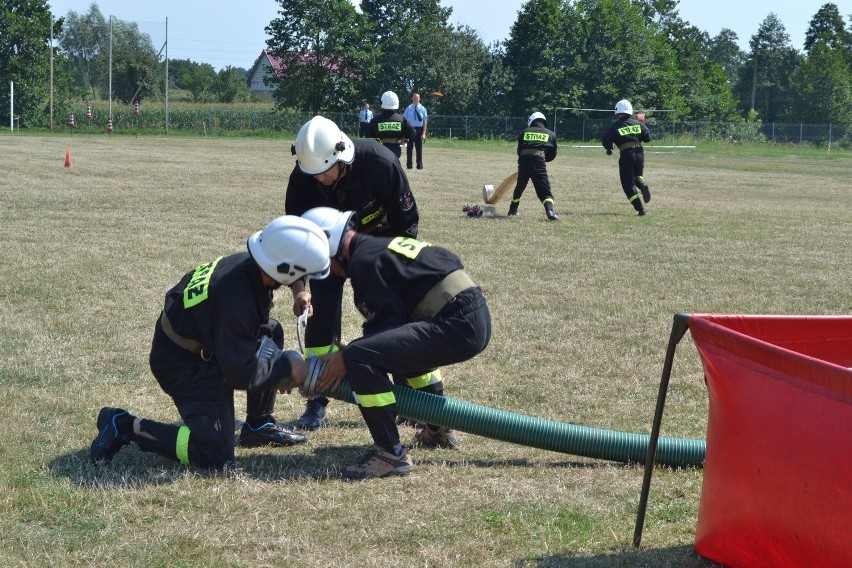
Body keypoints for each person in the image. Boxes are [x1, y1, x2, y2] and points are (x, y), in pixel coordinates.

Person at [89, 216, 331, 468]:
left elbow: (284, 266)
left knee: (271, 331)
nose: (304, 277)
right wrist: (287, 369)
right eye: (303, 273)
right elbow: (240, 371)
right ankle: (123, 425)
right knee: (215, 453)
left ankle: (259, 425)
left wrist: (299, 289)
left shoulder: (251, 264)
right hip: (184, 365)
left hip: (204, 342)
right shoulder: (236, 301)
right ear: (284, 268)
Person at [303, 207, 492, 480]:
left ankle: (389, 453)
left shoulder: (363, 263)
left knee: (359, 357)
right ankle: (438, 429)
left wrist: (348, 357)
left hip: (457, 323)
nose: (328, 272)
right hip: (469, 313)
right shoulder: (377, 247)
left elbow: (379, 335)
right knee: (390, 348)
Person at [285, 115, 421, 432]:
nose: (319, 179)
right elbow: (295, 239)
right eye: (313, 174)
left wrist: (395, 269)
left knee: (391, 316)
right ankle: (317, 400)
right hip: (327, 252)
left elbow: (408, 222)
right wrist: (299, 289)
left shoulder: (380, 163)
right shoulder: (303, 177)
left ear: (341, 156)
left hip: (378, 244)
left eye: (324, 172)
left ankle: (407, 397)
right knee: (320, 316)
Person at [601, 99, 652, 216]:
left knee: (627, 184)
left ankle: (641, 209)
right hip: (640, 154)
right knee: (637, 176)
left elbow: (606, 141)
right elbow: (647, 139)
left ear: (617, 112)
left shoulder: (614, 126)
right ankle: (642, 185)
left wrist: (609, 148)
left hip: (626, 154)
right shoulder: (638, 124)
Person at [507, 112, 559, 221]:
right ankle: (550, 211)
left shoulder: (524, 132)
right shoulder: (551, 134)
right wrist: (543, 158)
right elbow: (551, 155)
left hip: (523, 163)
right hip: (539, 163)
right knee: (544, 191)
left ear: (531, 121)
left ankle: (512, 211)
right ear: (544, 121)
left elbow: (519, 151)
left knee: (519, 188)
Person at [367, 90, 416, 159]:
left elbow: (368, 136)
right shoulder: (401, 119)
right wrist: (402, 144)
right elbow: (412, 133)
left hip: (379, 150)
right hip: (396, 150)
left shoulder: (375, 120)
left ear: (382, 102)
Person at [402, 92, 428, 170]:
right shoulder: (408, 108)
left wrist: (424, 133)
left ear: (419, 99)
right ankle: (409, 165)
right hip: (410, 129)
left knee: (419, 148)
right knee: (409, 148)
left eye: (417, 98)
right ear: (412, 99)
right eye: (414, 98)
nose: (415, 99)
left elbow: (425, 121)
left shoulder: (423, 108)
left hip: (419, 129)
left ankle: (419, 165)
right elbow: (404, 119)